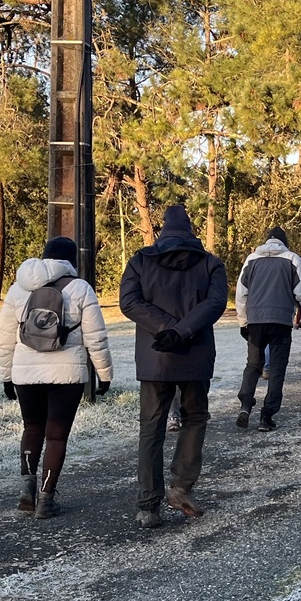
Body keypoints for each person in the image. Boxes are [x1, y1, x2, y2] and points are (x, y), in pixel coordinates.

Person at [119, 204, 228, 528]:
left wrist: (166, 329)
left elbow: (129, 301)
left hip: (156, 358)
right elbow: (215, 303)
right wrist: (181, 331)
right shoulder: (210, 264)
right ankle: (181, 487)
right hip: (195, 355)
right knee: (195, 418)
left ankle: (148, 506)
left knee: (151, 428)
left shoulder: (141, 261)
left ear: (162, 230)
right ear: (190, 229)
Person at [0, 237, 114, 518]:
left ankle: (26, 492)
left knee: (32, 428)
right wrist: (104, 374)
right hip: (67, 374)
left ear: (45, 256)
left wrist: (6, 376)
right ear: (71, 260)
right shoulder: (80, 288)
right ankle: (46, 500)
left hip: (25, 374)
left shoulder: (18, 288)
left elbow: (3, 338)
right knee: (57, 436)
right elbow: (96, 338)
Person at [234, 227, 301, 431]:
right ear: (284, 242)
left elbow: (241, 294)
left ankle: (245, 404)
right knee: (277, 369)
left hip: (255, 321)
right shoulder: (293, 259)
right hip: (281, 321)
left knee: (253, 365)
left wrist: (243, 322)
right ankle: (266, 416)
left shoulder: (251, 259)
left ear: (266, 241)